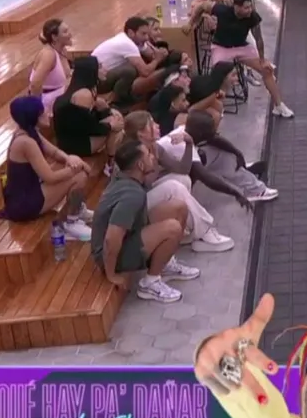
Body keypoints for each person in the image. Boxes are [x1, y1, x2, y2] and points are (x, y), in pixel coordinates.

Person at [91, 140, 201, 303]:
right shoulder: (131, 195)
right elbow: (111, 238)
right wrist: (111, 274)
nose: (153, 156)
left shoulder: (126, 177)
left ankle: (165, 265)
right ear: (140, 166)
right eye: (148, 155)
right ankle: (150, 283)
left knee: (179, 207)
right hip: (109, 255)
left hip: (128, 235)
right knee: (173, 228)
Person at [122, 111, 237, 253]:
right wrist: (152, 165)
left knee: (182, 179)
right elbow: (137, 187)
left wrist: (189, 143)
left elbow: (183, 169)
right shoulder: (131, 154)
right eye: (151, 124)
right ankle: (205, 230)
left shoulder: (155, 147)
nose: (157, 126)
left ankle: (185, 229)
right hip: (134, 207)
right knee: (174, 187)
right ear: (141, 134)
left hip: (146, 195)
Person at [0, 96, 93, 242]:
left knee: (75, 170)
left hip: (27, 193)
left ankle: (77, 210)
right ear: (33, 117)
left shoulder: (29, 132)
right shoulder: (26, 142)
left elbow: (54, 152)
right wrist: (78, 166)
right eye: (42, 113)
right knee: (79, 176)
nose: (48, 113)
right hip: (24, 203)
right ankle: (72, 222)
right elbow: (50, 177)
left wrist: (70, 159)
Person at [205, 0, 293, 118]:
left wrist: (262, 60)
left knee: (267, 70)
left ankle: (279, 106)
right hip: (221, 47)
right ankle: (217, 108)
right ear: (236, 7)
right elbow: (201, 6)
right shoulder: (221, 10)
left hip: (242, 47)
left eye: (250, 7)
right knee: (219, 75)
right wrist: (194, 21)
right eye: (246, 8)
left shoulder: (252, 16)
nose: (249, 10)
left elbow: (259, 39)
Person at [184, 111, 279, 202]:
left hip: (192, 169)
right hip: (181, 183)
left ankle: (237, 169)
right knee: (221, 159)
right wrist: (235, 193)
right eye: (211, 132)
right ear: (201, 134)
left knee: (220, 153)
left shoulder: (188, 131)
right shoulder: (189, 151)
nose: (214, 133)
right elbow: (207, 179)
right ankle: (253, 188)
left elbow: (215, 139)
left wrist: (237, 153)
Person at [52, 56, 125, 161]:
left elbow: (86, 119)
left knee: (115, 116)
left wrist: (106, 110)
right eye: (100, 67)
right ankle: (111, 162)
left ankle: (111, 156)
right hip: (74, 143)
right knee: (117, 126)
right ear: (91, 71)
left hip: (77, 133)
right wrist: (110, 126)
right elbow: (86, 126)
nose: (105, 69)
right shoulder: (84, 94)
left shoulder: (88, 88)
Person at [90, 17, 170, 105]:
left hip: (104, 75)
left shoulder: (135, 40)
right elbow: (145, 71)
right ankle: (119, 100)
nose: (147, 38)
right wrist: (158, 59)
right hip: (96, 81)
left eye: (147, 34)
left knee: (136, 65)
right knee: (130, 70)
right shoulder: (126, 44)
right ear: (131, 33)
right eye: (143, 34)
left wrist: (160, 53)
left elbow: (152, 55)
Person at [28, 19, 73, 118]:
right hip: (47, 103)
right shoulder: (48, 55)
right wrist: (38, 112)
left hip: (60, 98)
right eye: (65, 32)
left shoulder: (63, 50)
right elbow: (35, 85)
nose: (70, 34)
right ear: (54, 37)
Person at [187, 59, 238, 127]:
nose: (237, 78)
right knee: (216, 115)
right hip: (189, 112)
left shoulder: (215, 89)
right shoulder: (212, 94)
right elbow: (191, 110)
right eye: (233, 75)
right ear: (223, 77)